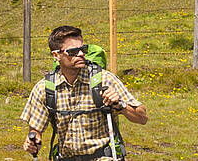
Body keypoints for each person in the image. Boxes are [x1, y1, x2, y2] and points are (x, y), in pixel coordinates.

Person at [23, 25, 148, 160]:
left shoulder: (104, 79)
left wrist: (120, 105)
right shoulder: (45, 88)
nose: (81, 54)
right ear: (56, 55)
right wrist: (33, 141)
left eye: (83, 49)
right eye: (73, 51)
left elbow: (142, 118)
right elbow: (35, 130)